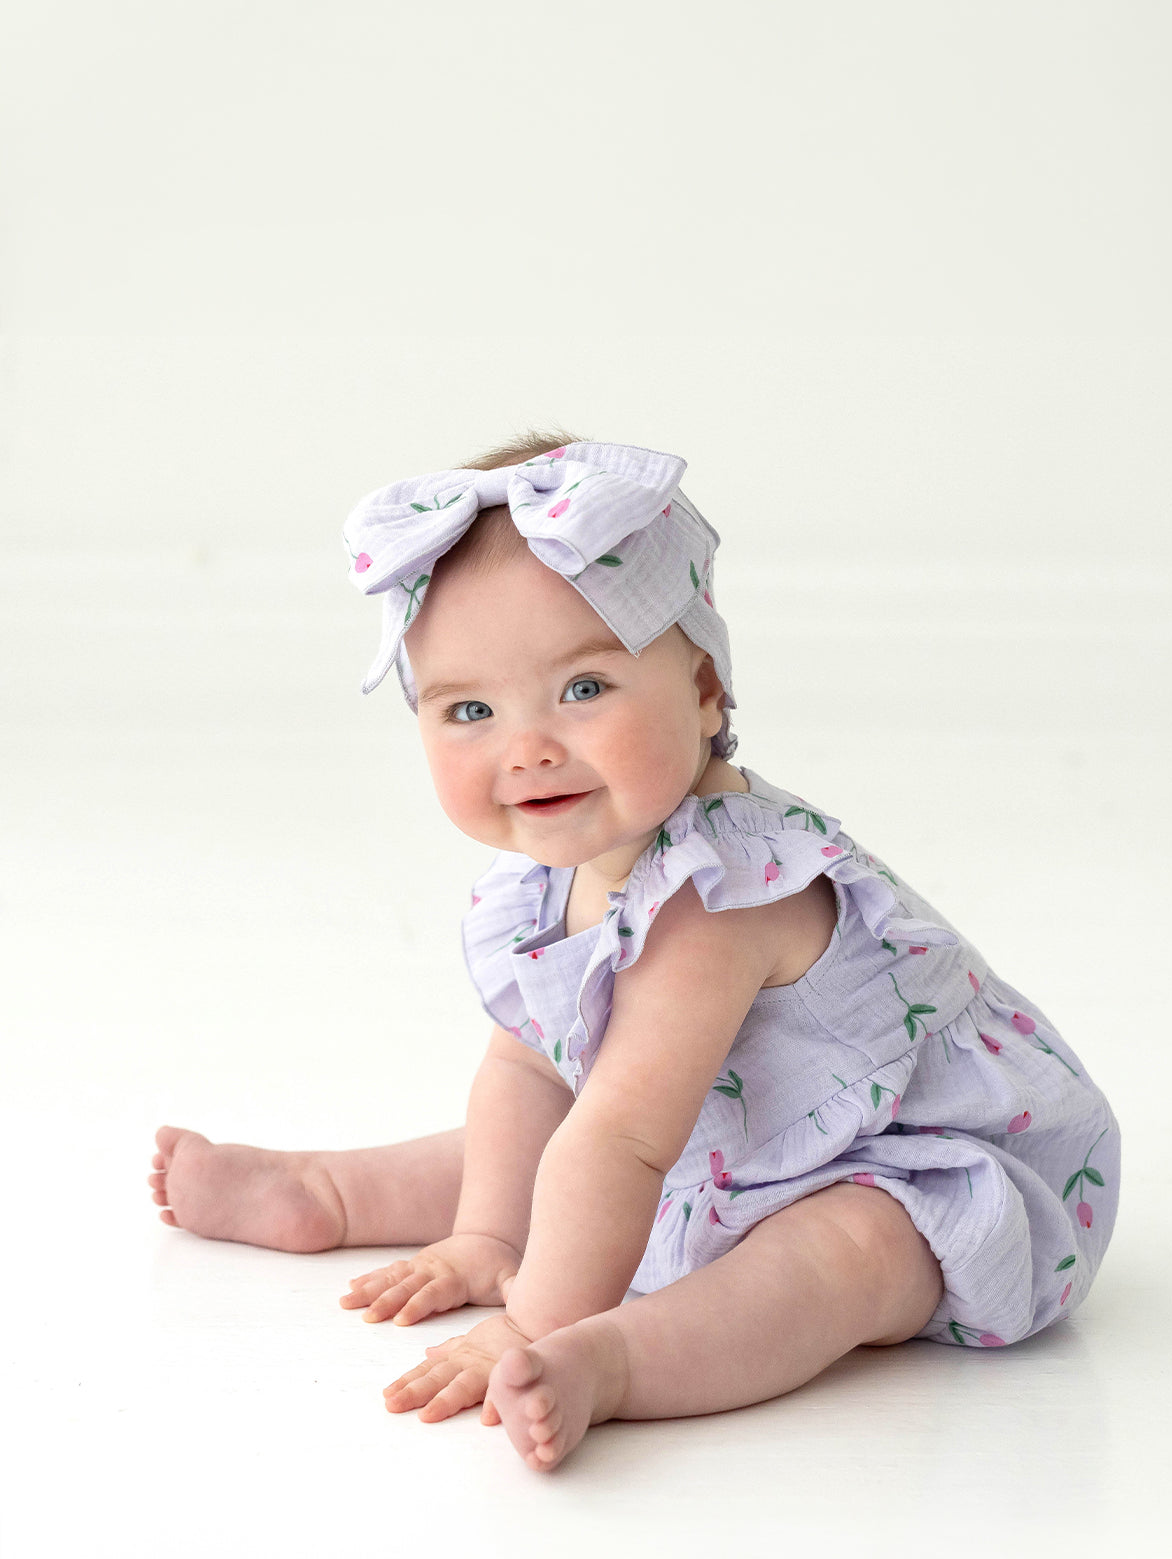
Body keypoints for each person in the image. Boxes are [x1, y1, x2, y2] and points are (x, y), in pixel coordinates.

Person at [148, 432, 1120, 1473]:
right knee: (527, 1132)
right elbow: (530, 1070)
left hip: (923, 1169)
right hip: (718, 1138)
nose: (527, 747)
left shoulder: (724, 892)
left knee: (843, 1249)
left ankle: (616, 1359)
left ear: (705, 690)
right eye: (470, 709)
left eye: (583, 689)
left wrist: (536, 1316)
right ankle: (333, 1191)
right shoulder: (558, 864)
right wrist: (488, 1234)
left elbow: (617, 1143)